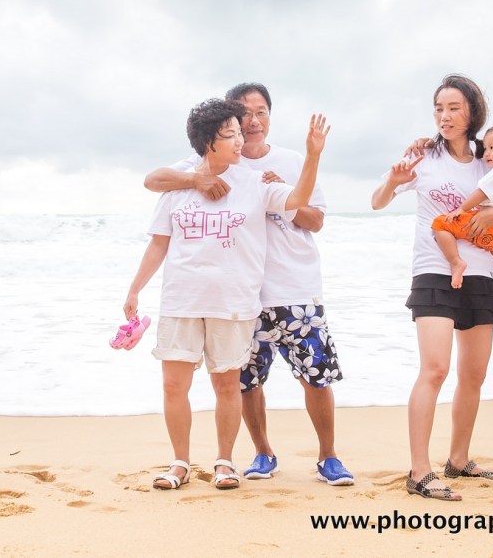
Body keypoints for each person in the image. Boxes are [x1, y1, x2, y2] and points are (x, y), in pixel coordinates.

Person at [144, 83, 353, 486]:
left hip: (294, 288)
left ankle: (328, 456)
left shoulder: (284, 164)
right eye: (242, 116)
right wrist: (197, 181)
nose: (251, 122)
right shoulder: (200, 164)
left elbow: (314, 217)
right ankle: (261, 453)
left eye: (260, 113)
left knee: (315, 375)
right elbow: (155, 180)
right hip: (239, 298)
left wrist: (286, 188)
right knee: (246, 382)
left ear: (270, 117)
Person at [370, 75, 493, 501]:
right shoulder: (424, 155)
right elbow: (377, 201)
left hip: (480, 273)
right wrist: (394, 180)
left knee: (474, 374)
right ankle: (420, 470)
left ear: (472, 113)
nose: (444, 117)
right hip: (433, 271)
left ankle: (459, 460)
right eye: (439, 109)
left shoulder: (490, 160)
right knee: (435, 369)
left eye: (453, 108)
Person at [432, 123, 493, 288]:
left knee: (440, 224)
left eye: (492, 148)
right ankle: (491, 270)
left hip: (485, 225)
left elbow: (482, 192)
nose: (486, 154)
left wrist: (462, 208)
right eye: (485, 148)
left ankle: (456, 262)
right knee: (489, 253)